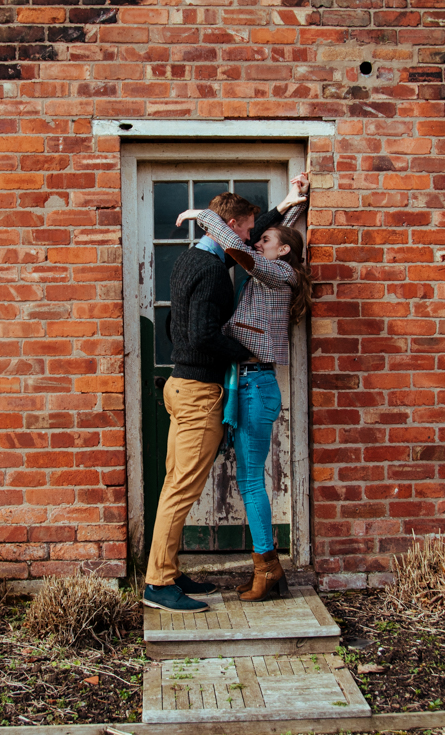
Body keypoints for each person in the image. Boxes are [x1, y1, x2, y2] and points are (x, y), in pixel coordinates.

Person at [143, 182, 308, 614]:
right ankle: (159, 582)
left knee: (178, 483)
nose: (255, 237)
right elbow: (198, 332)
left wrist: (285, 206)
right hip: (199, 390)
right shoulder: (214, 268)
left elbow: (263, 247)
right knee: (182, 487)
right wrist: (245, 352)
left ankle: (170, 570)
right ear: (231, 226)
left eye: (262, 234)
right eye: (251, 229)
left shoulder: (192, 261)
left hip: (190, 384)